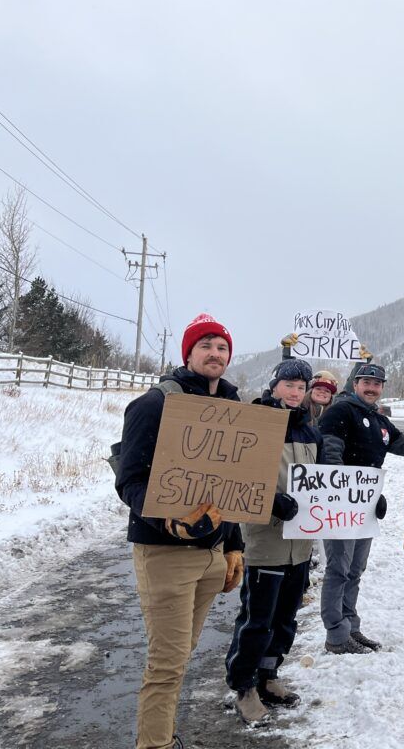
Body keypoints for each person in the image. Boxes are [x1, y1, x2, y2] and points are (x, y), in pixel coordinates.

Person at [115, 313, 245, 749]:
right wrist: (166, 519)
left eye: (222, 346)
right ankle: (155, 744)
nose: (215, 353)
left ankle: (164, 734)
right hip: (165, 554)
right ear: (188, 353)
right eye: (205, 345)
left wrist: (233, 546)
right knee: (167, 663)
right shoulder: (153, 405)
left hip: (212, 554)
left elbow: (236, 488)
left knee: (181, 656)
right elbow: (129, 479)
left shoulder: (233, 411)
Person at [317, 363, 404, 653]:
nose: (372, 388)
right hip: (339, 506)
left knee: (356, 569)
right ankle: (336, 635)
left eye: (377, 383)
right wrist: (355, 492)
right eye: (366, 382)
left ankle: (351, 627)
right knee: (339, 569)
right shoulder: (340, 412)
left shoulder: (379, 419)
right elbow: (330, 458)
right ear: (355, 383)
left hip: (365, 508)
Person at [225, 358, 322, 723]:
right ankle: (244, 686)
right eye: (289, 385)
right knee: (257, 619)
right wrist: (273, 503)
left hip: (301, 542)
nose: (296, 393)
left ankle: (268, 676)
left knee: (285, 618)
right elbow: (242, 478)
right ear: (275, 385)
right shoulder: (258, 421)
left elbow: (327, 484)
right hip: (266, 538)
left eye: (301, 387)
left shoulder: (310, 430)